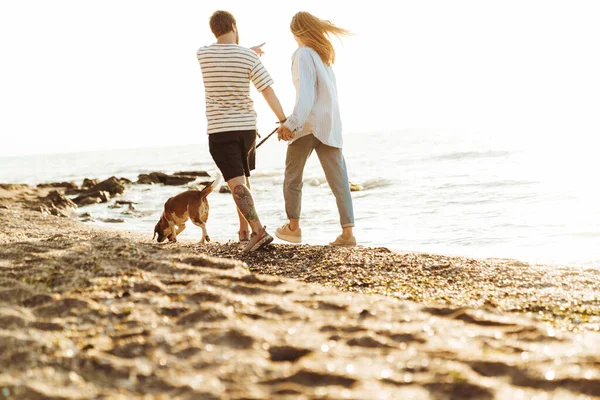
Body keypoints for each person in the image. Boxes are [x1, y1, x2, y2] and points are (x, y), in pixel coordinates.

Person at [197, 10, 287, 252]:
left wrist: (247, 51)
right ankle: (244, 230)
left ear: (213, 30)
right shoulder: (248, 57)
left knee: (236, 183)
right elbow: (267, 90)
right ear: (234, 26)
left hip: (221, 131)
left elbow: (225, 52)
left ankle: (258, 231)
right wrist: (283, 120)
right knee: (243, 179)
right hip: (247, 129)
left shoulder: (203, 54)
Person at [276, 11, 356, 247]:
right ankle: (348, 233)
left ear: (296, 32)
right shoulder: (324, 58)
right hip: (330, 126)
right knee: (339, 181)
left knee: (293, 177)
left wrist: (289, 124)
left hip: (307, 127)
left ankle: (293, 228)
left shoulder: (302, 54)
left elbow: (306, 95)